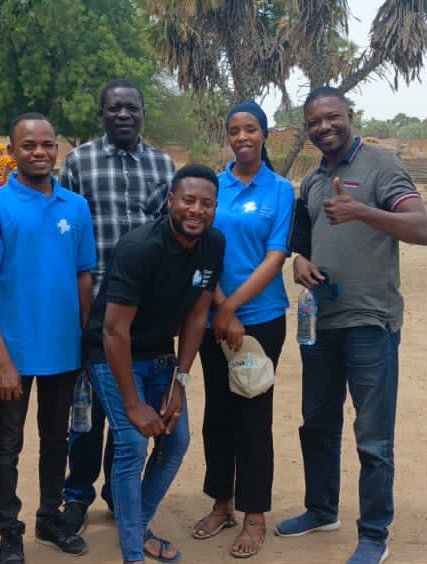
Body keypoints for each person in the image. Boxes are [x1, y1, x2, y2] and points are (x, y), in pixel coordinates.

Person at [273, 86, 427, 564]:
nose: (324, 127)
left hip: (370, 321)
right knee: (317, 424)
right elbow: (304, 243)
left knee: (373, 437)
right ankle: (322, 509)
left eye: (332, 117)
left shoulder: (382, 165)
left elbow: (421, 229)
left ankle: (374, 534)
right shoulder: (313, 180)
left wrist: (360, 210)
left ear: (349, 116)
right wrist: (300, 262)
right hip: (321, 323)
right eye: (314, 122)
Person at [0, 113, 98, 564]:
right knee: (7, 445)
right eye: (28, 145)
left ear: (57, 149)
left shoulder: (75, 207)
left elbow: (84, 277)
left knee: (57, 438)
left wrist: (86, 342)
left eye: (47, 144)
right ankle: (10, 531)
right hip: (15, 353)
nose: (39, 152)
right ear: (12, 151)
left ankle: (49, 517)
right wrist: (1, 359)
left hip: (64, 349)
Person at [85, 164, 224, 564]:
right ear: (170, 201)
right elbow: (114, 331)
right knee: (132, 443)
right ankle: (133, 553)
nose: (196, 210)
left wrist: (180, 383)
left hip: (161, 355)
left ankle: (136, 525)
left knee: (175, 440)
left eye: (207, 203)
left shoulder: (213, 244)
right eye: (188, 200)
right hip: (112, 353)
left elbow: (197, 317)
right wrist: (133, 405)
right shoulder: (140, 248)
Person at [57, 78, 177, 537]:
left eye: (132, 108)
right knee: (89, 408)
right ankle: (76, 495)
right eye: (114, 108)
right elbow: (67, 232)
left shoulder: (163, 165)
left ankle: (115, 491)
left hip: (143, 311)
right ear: (102, 114)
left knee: (131, 404)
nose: (123, 114)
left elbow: (169, 234)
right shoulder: (79, 162)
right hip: (94, 304)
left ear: (143, 113)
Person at [190, 101, 294, 559]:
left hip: (262, 320)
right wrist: (219, 307)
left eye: (250, 129)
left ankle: (254, 514)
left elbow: (276, 256)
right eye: (234, 130)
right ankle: (222, 503)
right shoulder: (215, 187)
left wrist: (232, 308)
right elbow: (200, 247)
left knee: (253, 416)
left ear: (264, 134)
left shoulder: (280, 190)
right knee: (218, 414)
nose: (242, 137)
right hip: (213, 316)